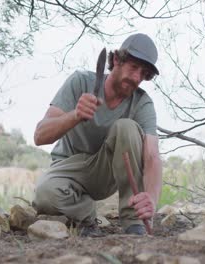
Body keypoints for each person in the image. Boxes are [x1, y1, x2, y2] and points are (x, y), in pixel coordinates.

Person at [32, 33, 163, 236]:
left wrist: (151, 201)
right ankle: (86, 216)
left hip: (106, 172)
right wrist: (75, 115)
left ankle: (134, 221)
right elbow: (40, 136)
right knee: (44, 194)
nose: (137, 78)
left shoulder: (142, 103)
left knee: (126, 127)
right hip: (70, 170)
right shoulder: (80, 82)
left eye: (144, 73)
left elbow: (152, 156)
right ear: (117, 60)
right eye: (134, 67)